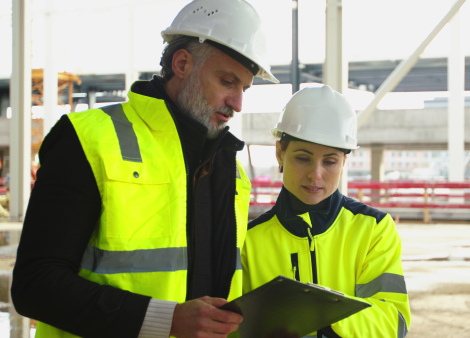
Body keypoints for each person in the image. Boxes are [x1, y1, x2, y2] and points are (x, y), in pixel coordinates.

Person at [11, 0, 278, 337]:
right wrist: (166, 319)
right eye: (227, 81)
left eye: (244, 88)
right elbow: (35, 286)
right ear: (182, 63)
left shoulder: (231, 170)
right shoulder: (88, 138)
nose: (237, 102)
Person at [242, 86, 411, 337]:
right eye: (302, 158)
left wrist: (321, 316)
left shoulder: (374, 229)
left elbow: (393, 322)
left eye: (330, 161)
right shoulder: (249, 240)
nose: (315, 174)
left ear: (343, 162)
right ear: (280, 152)